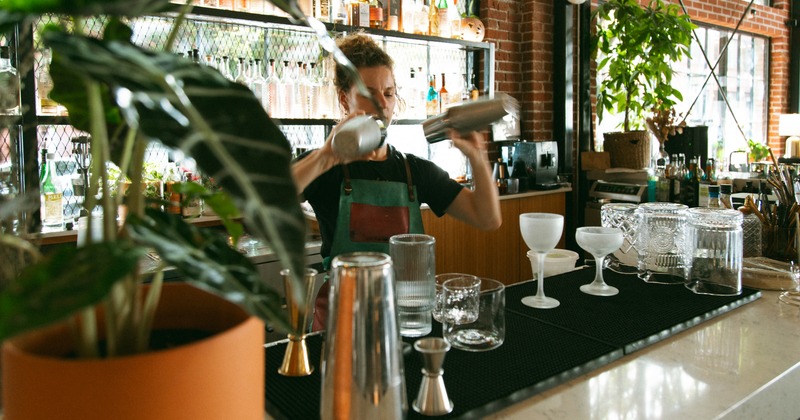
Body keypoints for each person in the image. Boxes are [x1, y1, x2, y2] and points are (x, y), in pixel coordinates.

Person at [292, 32, 502, 331]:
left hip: (407, 317)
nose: (382, 103)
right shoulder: (325, 166)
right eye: (368, 92)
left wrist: (477, 156)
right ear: (344, 98)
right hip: (340, 320)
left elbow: (487, 218)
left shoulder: (414, 171)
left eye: (389, 93)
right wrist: (327, 156)